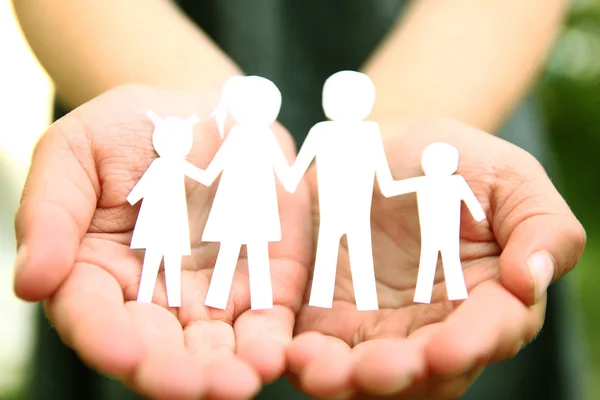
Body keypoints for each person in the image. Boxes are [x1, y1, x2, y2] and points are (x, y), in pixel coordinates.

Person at [11, 0, 586, 399]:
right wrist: (271, 175)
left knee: (339, 262)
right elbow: (296, 167)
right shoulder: (246, 140)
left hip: (460, 92)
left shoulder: (357, 138)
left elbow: (349, 172)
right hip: (123, 66)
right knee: (242, 266)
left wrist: (407, 132)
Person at [200, 76, 292, 311]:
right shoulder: (259, 135)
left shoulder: (241, 134)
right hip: (253, 201)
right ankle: (258, 300)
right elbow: (283, 169)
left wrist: (202, 176)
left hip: (239, 200)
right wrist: (293, 181)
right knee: (254, 251)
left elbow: (214, 169)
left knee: (235, 250)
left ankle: (220, 296)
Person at [127, 111, 202, 308]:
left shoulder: (172, 164)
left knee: (168, 258)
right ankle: (147, 295)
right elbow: (143, 185)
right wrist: (132, 198)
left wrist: (133, 198)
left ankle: (171, 298)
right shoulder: (161, 164)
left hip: (170, 216)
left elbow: (202, 176)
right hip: (159, 215)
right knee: (156, 257)